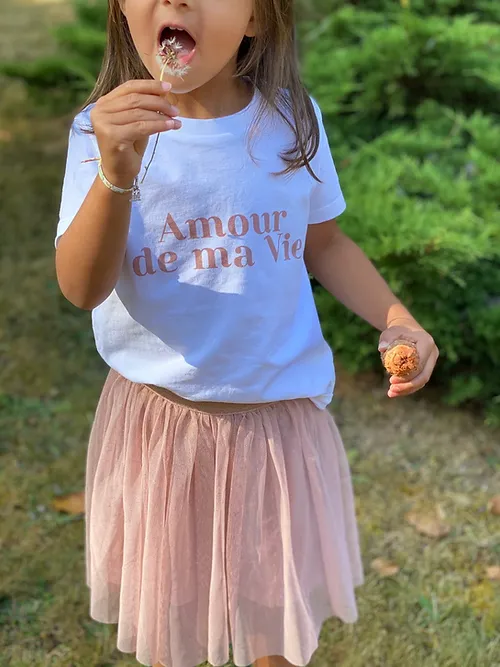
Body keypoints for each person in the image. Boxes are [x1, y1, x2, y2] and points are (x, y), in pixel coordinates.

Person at [54, 0, 439, 666]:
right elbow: (82, 287)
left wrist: (397, 317)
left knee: (272, 624)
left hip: (276, 430)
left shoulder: (289, 122)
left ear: (257, 18)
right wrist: (116, 172)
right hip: (162, 428)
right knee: (174, 621)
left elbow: (324, 243)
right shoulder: (102, 132)